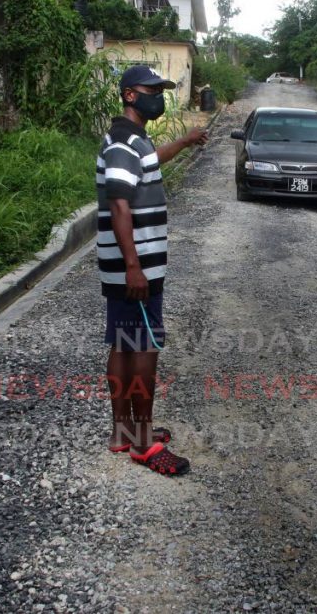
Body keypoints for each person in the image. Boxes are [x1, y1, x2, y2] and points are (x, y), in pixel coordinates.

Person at [97, 65, 208, 476]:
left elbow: (148, 163)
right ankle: (142, 443)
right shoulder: (123, 144)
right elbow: (119, 205)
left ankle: (123, 431)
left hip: (131, 266)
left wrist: (183, 141)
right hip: (134, 267)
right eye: (151, 90)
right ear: (130, 95)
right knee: (143, 348)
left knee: (125, 343)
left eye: (161, 91)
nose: (157, 97)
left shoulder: (133, 140)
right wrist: (134, 268)